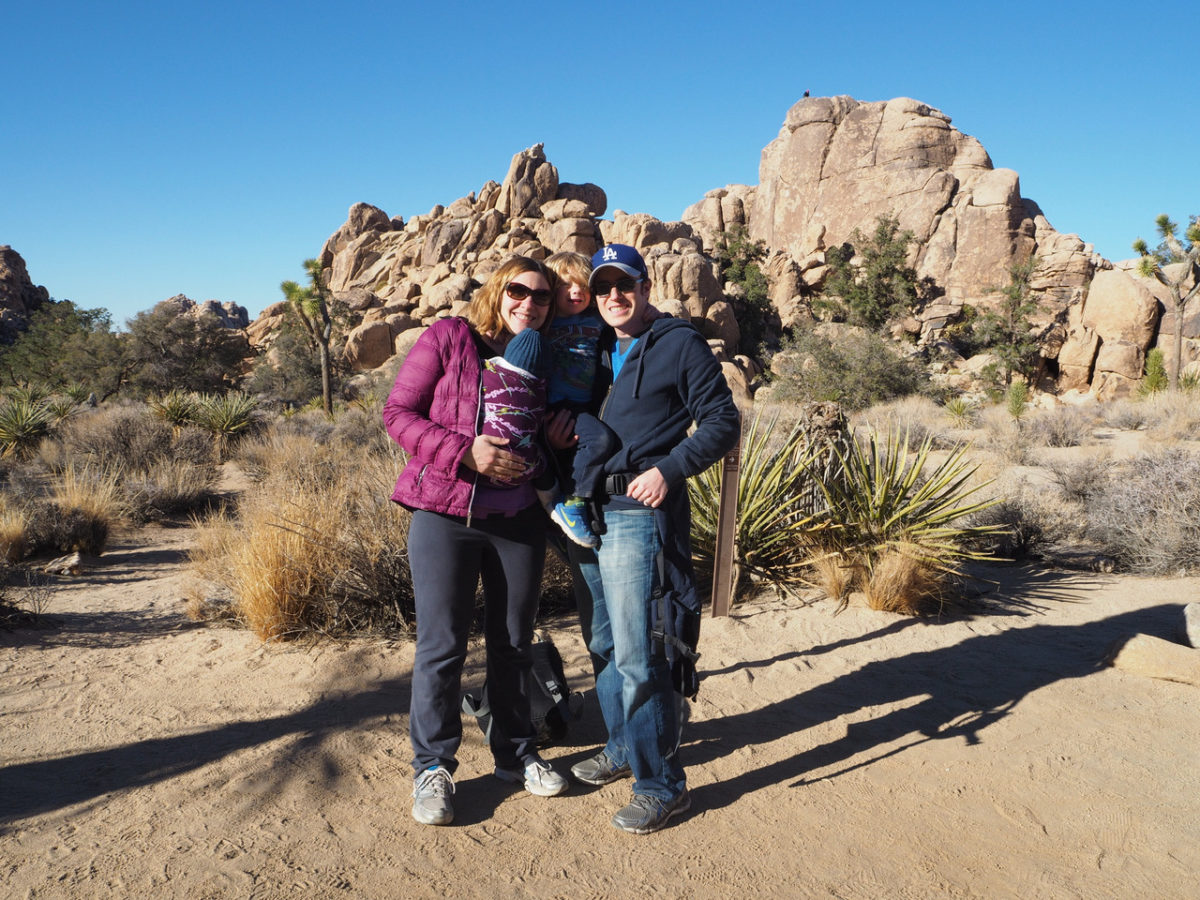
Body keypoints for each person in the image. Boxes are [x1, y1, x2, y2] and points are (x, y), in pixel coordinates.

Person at [382, 256, 568, 827]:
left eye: (541, 298)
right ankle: (433, 768)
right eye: (519, 291)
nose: (528, 304)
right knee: (442, 647)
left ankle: (515, 753)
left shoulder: (541, 355)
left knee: (513, 643)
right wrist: (465, 450)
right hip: (445, 515)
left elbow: (540, 433)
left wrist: (554, 441)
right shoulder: (450, 337)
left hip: (518, 522)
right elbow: (396, 413)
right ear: (498, 290)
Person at [569, 243, 740, 834]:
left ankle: (662, 784)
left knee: (641, 654)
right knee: (605, 643)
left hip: (638, 511)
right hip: (585, 510)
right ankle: (622, 746)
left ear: (645, 287)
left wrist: (669, 469)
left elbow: (722, 419)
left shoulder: (677, 343)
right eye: (604, 287)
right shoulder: (589, 346)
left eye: (626, 285)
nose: (614, 296)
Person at [540, 251, 618, 549]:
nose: (576, 291)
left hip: (585, 404)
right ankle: (573, 502)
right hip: (555, 406)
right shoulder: (542, 326)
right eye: (566, 285)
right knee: (598, 441)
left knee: (593, 443)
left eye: (582, 285)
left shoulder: (598, 321)